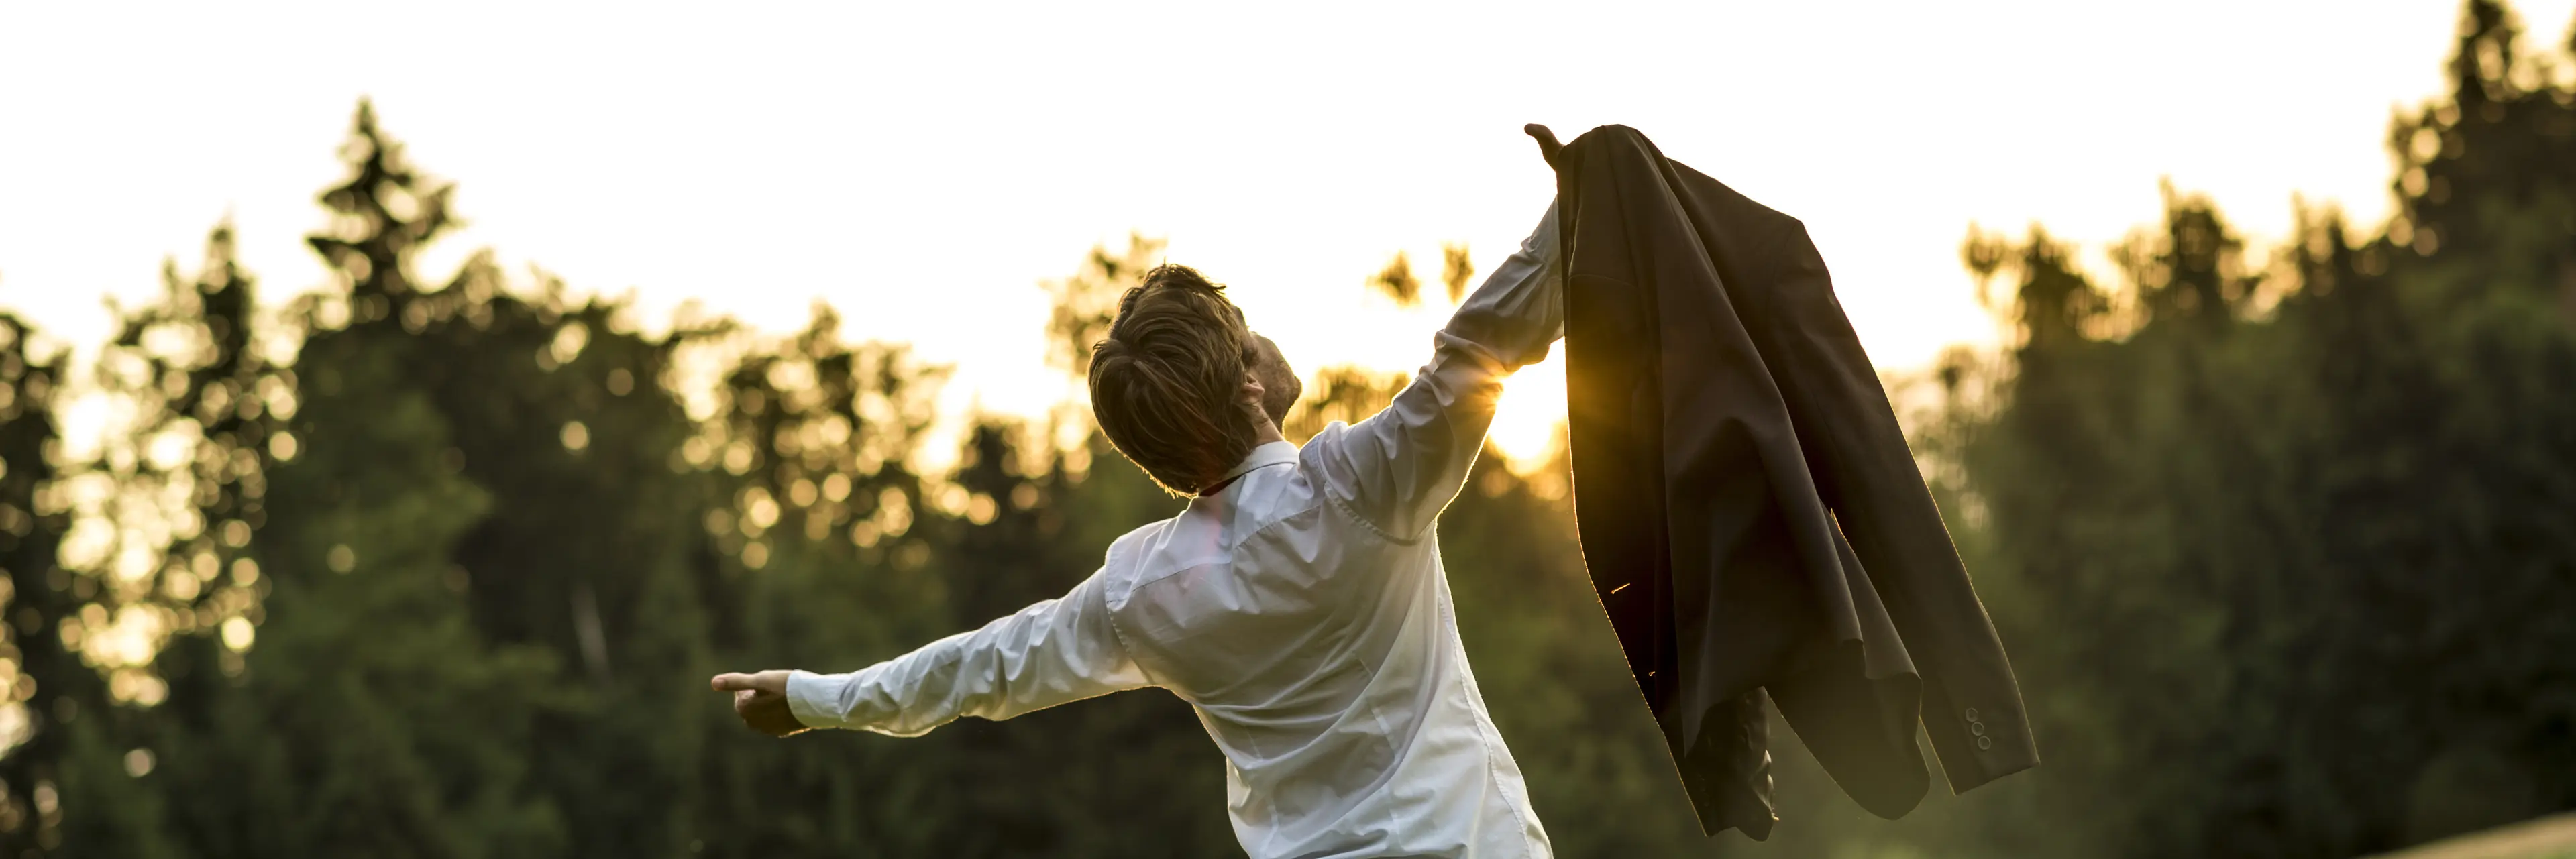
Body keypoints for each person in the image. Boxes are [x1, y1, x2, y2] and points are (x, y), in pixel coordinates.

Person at [712, 197, 1565, 859]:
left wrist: (813, 699)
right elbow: (1477, 349)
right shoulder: (1359, 489)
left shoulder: (1141, 593)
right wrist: (1588, 204)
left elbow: (978, 668)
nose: (1263, 337)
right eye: (1246, 335)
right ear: (1250, 387)